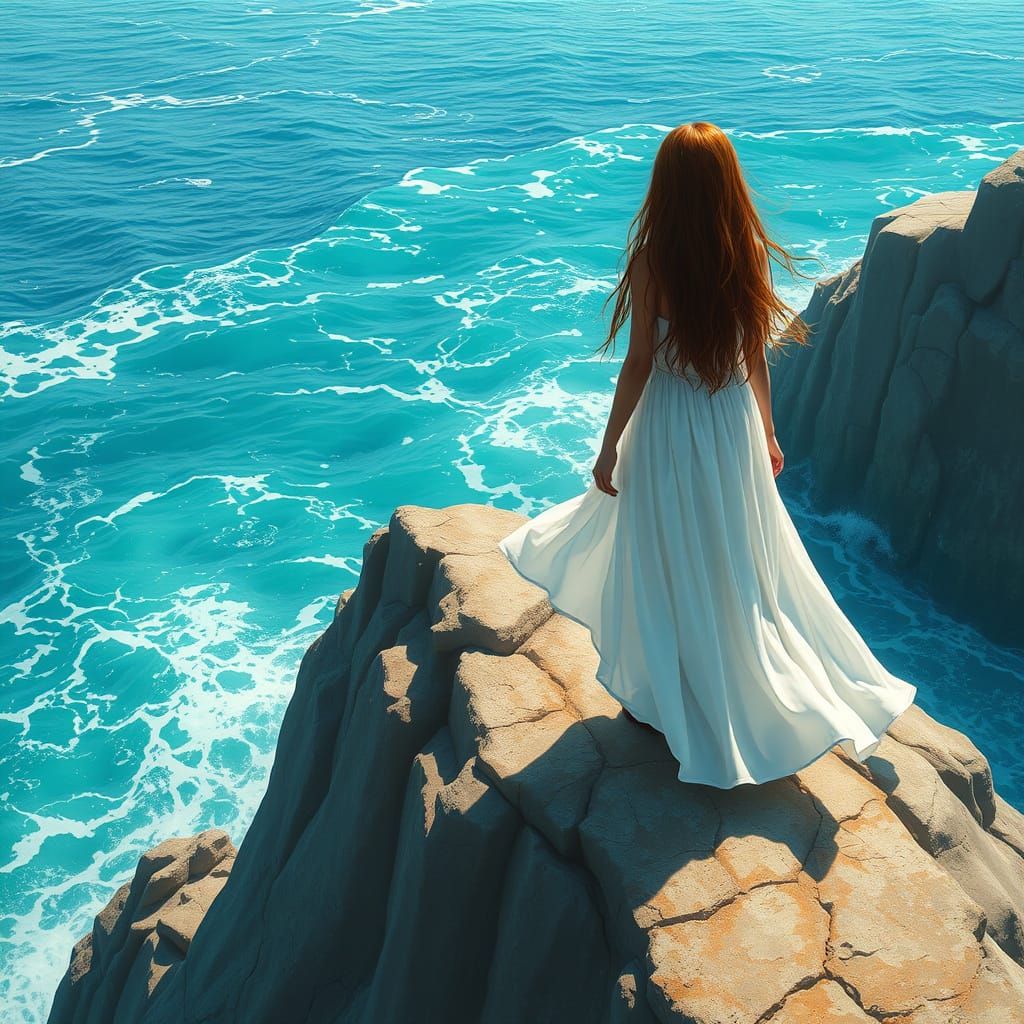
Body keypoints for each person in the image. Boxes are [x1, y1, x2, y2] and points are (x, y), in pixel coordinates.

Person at [497, 121, 917, 789]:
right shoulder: (743, 250)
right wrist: (769, 433)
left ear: (666, 186)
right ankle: (721, 692)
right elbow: (755, 355)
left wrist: (607, 449)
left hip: (668, 425)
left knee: (668, 557)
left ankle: (672, 703)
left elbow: (638, 364)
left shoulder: (652, 261)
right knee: (732, 559)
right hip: (728, 425)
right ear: (727, 185)